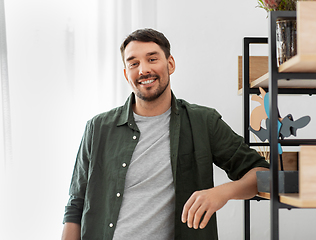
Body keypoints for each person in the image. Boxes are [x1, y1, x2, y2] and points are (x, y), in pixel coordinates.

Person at [61, 28, 269, 240]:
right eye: (133, 63)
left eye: (152, 59)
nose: (143, 70)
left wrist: (222, 193)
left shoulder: (202, 122)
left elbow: (262, 174)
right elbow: (76, 203)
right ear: (126, 74)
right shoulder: (97, 128)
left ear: (170, 64)